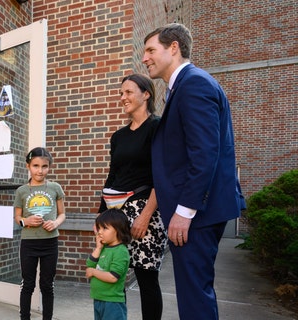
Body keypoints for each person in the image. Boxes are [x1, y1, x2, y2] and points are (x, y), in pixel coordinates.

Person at [142, 23, 245, 319]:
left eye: (151, 50)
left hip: (197, 213)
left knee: (194, 295)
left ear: (173, 47)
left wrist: (184, 212)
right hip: (197, 211)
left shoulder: (194, 84)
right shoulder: (183, 86)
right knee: (193, 293)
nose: (145, 58)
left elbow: (204, 153)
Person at [99, 73, 167, 320]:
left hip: (146, 210)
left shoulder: (158, 127)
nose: (122, 97)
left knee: (146, 279)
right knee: (114, 278)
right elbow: (112, 176)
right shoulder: (118, 137)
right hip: (116, 213)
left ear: (146, 94)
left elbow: (163, 175)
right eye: (121, 93)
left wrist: (146, 216)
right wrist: (102, 219)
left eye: (128, 92)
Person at [14, 147, 66, 320]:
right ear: (28, 166)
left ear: (49, 167)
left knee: (47, 285)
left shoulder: (55, 187)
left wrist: (56, 223)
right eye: (35, 166)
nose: (40, 170)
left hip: (50, 243)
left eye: (44, 166)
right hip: (29, 243)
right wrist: (25, 221)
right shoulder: (21, 191)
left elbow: (62, 214)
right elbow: (17, 217)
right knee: (27, 284)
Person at [86, 209, 131, 320]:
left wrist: (93, 272)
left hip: (112, 303)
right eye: (99, 228)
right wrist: (98, 248)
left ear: (118, 229)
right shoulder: (104, 248)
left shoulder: (121, 251)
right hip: (99, 299)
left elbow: (112, 277)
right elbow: (89, 266)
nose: (100, 232)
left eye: (105, 228)